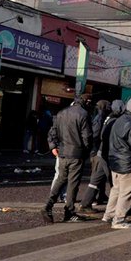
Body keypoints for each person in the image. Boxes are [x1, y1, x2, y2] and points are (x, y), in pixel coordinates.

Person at [42, 95, 93, 223]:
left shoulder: (61, 113)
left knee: (60, 179)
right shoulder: (83, 114)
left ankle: (48, 205)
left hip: (62, 152)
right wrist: (86, 152)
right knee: (72, 184)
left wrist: (53, 146)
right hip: (76, 154)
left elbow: (52, 132)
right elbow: (87, 137)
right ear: (85, 102)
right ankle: (69, 212)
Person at [103, 96, 131, 229]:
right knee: (127, 192)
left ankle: (109, 214)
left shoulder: (119, 120)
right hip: (128, 163)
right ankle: (119, 220)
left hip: (115, 161)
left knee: (116, 190)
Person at [79, 100, 123, 213]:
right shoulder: (114, 120)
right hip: (106, 154)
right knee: (116, 182)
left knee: (95, 180)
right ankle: (119, 208)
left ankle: (85, 203)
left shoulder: (107, 118)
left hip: (100, 153)